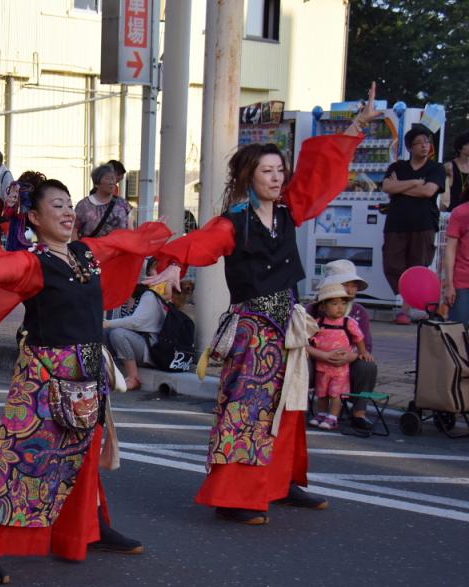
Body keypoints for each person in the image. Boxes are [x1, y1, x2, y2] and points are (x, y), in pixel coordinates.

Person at [0, 174, 172, 584]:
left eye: (70, 204)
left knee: (85, 454)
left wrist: (161, 239)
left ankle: (92, 528)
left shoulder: (86, 253)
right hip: (44, 375)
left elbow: (125, 244)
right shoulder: (35, 262)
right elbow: (4, 266)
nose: (68, 212)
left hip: (89, 370)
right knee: (16, 457)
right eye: (57, 206)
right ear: (34, 218)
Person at [145, 83, 379, 525]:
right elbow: (202, 242)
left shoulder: (290, 209)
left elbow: (323, 172)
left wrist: (355, 126)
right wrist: (175, 263)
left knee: (290, 404)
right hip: (253, 328)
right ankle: (233, 496)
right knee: (245, 409)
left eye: (280, 170)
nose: (276, 177)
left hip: (288, 322)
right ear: (249, 176)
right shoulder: (235, 221)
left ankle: (280, 482)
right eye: (268, 171)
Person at [381, 124, 446, 325]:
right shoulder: (397, 167)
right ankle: (407, 301)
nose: (424, 146)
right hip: (396, 223)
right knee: (391, 263)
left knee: (418, 265)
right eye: (419, 143)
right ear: (410, 147)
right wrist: (416, 183)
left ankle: (405, 309)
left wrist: (399, 187)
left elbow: (428, 192)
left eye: (427, 142)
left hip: (424, 224)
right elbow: (386, 187)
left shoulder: (436, 168)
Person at [305, 259, 378, 431]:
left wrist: (351, 356)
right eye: (347, 284)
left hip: (346, 363)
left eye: (354, 285)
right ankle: (305, 408)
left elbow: (365, 346)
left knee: (368, 365)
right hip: (318, 360)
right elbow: (300, 342)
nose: (352, 290)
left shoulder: (359, 312)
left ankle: (359, 412)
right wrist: (322, 355)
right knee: (300, 361)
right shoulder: (311, 310)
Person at [103, 260, 166, 391]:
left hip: (149, 349)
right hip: (131, 345)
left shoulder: (149, 296)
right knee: (105, 333)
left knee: (117, 333)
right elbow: (116, 321)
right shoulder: (124, 297)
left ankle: (133, 378)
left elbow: (135, 322)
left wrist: (107, 323)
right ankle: (103, 372)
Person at [74, 163, 134, 240]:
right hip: (91, 251)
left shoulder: (123, 205)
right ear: (97, 184)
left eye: (113, 178)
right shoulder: (83, 206)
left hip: (119, 251)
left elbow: (130, 233)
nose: (112, 182)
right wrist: (75, 250)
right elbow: (74, 230)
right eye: (108, 179)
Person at [444, 202, 469, 323]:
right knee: (458, 331)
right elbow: (450, 250)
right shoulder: (461, 212)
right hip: (463, 282)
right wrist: (449, 285)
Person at [444, 131, 469, 211]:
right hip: (453, 211)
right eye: (467, 144)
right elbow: (444, 195)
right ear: (459, 148)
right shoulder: (449, 167)